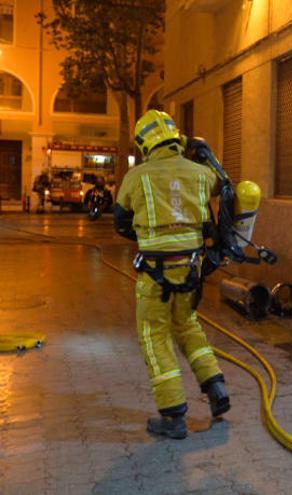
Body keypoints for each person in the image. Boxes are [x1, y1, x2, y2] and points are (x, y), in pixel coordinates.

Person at [113, 110, 230, 440]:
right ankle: (216, 386)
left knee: (154, 335)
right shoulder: (200, 173)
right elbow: (224, 185)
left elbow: (120, 222)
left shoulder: (137, 177)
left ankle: (173, 415)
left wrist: (147, 236)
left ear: (144, 143)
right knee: (188, 326)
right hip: (190, 272)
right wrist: (206, 153)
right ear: (177, 138)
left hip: (154, 276)